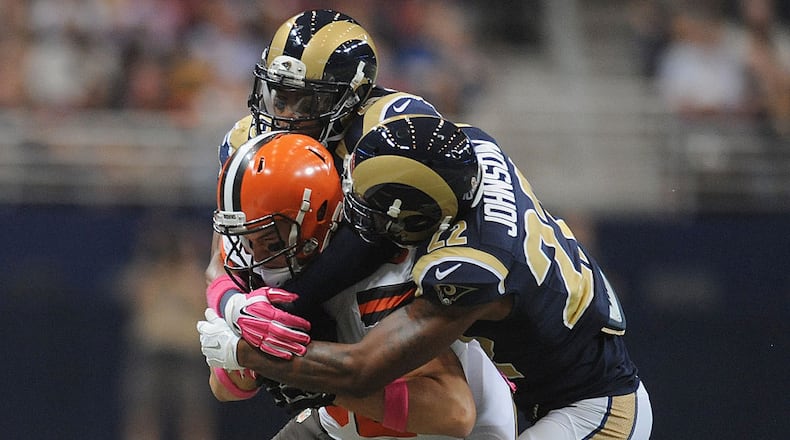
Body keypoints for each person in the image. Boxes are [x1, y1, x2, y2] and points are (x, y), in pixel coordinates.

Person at [200, 115, 654, 439]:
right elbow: (227, 380)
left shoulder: (465, 270)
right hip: (523, 383)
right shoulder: (464, 151)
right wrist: (229, 301)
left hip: (589, 404)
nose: (355, 218)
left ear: (417, 220)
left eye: (371, 207)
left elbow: (367, 373)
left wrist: (253, 354)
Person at [198, 131, 518, 439]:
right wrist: (241, 341)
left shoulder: (379, 282)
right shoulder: (260, 262)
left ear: (316, 220)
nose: (253, 255)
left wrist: (319, 382)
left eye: (268, 240)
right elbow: (224, 388)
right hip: (344, 426)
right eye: (246, 239)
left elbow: (455, 412)